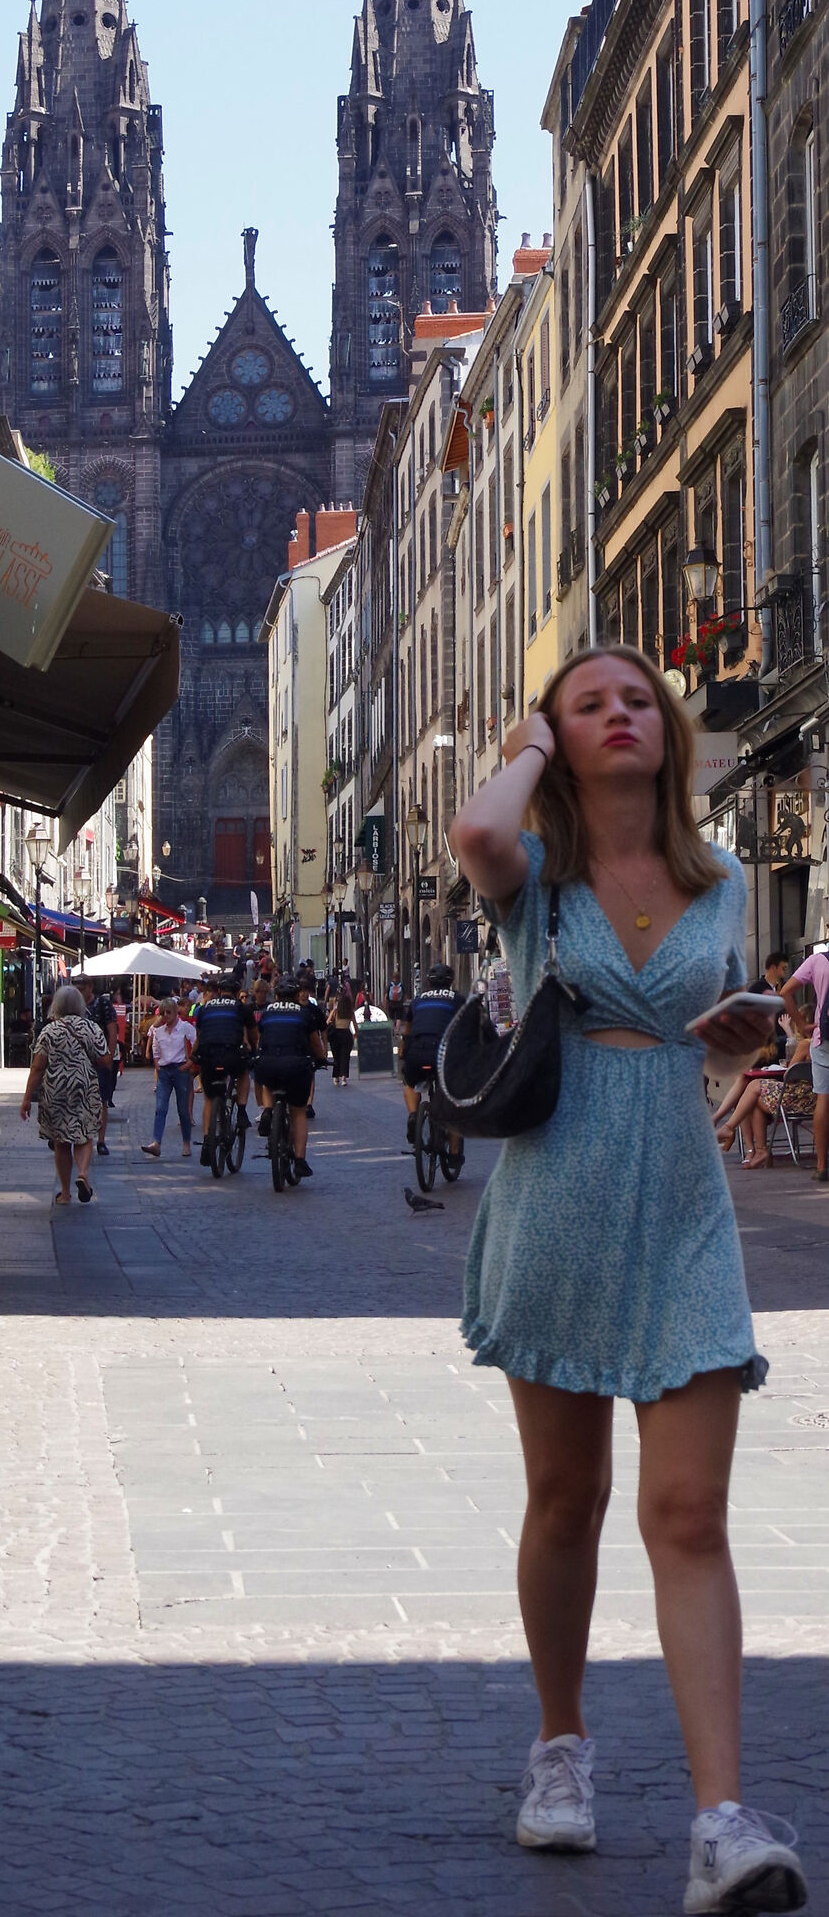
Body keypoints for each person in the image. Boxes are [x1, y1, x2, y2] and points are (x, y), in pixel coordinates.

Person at [448, 643, 805, 1912]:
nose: (615, 714)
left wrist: (738, 1036)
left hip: (682, 1205)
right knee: (565, 1499)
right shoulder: (533, 878)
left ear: (670, 731)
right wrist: (533, 740)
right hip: (556, 1197)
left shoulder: (719, 889)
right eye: (589, 702)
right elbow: (473, 825)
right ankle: (560, 1748)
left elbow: (714, 1061)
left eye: (635, 699)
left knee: (689, 1514)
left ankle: (721, 1819)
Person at [18, 984, 106, 1205]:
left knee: (61, 1141)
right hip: (84, 1087)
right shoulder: (92, 1028)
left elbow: (38, 1067)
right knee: (84, 1135)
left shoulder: (49, 1031)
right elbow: (105, 1060)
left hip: (56, 1089)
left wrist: (27, 1098)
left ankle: (65, 1193)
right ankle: (83, 1174)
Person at [253, 976, 326, 1178]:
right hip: (295, 1065)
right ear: (296, 995)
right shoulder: (304, 1014)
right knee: (298, 1112)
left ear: (276, 996)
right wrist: (321, 1059)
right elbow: (315, 1043)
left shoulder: (267, 1013)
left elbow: (261, 1040)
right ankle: (300, 1160)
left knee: (267, 1081)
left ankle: (267, 1111)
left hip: (269, 1064)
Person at [711, 1033, 808, 1167]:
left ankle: (732, 1131)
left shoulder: (806, 1044)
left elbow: (789, 1073)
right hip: (809, 1098)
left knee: (753, 1088)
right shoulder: (814, 1044)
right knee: (752, 1096)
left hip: (802, 1099)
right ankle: (759, 1151)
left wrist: (790, 1034)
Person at [191, 973, 257, 1168]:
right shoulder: (241, 1008)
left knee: (210, 1099)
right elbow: (253, 1035)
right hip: (231, 1054)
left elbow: (199, 1035)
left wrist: (193, 1056)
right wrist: (254, 1049)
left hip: (209, 1055)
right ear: (237, 992)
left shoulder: (203, 1009)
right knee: (243, 1073)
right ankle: (243, 1110)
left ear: (219, 992)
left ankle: (207, 1142)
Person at [399, 963, 464, 1152]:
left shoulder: (417, 1001)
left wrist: (403, 1052)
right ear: (450, 982)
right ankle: (453, 1152)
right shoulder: (457, 999)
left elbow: (407, 1031)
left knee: (410, 1083)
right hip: (443, 1052)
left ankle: (413, 1115)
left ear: (429, 982)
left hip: (417, 1051)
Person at [779, 941, 829, 1182]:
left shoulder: (817, 961)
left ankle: (821, 1165)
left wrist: (801, 1024)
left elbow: (785, 992)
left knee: (823, 1099)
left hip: (823, 1040)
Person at [143, 996, 195, 1158]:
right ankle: (156, 1142)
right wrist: (157, 1064)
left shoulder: (185, 1028)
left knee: (183, 1110)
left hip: (180, 1070)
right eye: (163, 1013)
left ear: (175, 1013)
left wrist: (188, 1065)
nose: (165, 1016)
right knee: (160, 1108)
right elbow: (155, 1049)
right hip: (165, 1071)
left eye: (168, 1013)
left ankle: (186, 1143)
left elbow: (196, 1046)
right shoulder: (159, 1031)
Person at [88, 984, 119, 1155]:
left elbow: (112, 1029)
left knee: (102, 1101)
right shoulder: (73, 1003)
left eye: (83, 987)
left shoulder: (102, 1004)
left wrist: (110, 1055)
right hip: (78, 1060)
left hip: (100, 1059)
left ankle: (100, 1140)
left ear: (88, 988)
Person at [327, 985, 355, 1086]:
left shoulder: (336, 1011)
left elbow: (327, 1022)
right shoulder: (350, 1012)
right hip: (347, 1034)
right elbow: (355, 1026)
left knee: (336, 1057)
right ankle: (344, 1078)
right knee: (345, 1057)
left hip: (336, 1034)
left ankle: (336, 1077)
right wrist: (355, 1035)